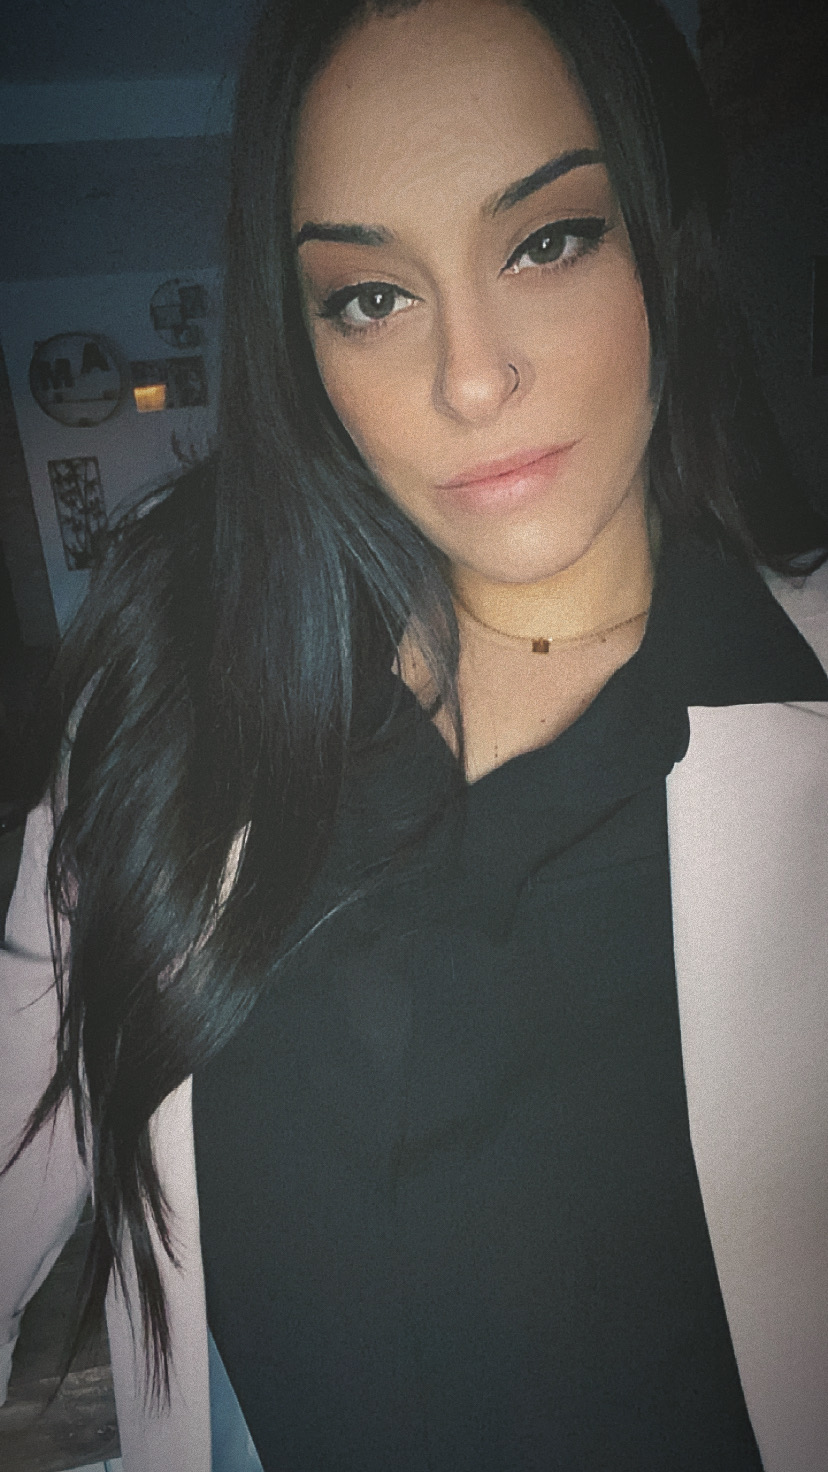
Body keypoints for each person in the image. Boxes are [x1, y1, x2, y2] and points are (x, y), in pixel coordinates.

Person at [2, 0, 828, 1467]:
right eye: (371, 296)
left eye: (548, 240)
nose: (469, 378)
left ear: (662, 235)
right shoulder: (176, 698)